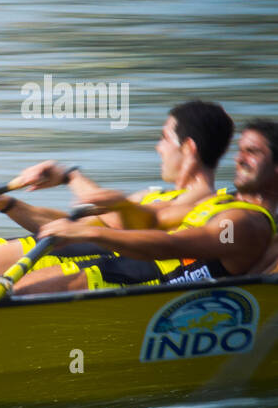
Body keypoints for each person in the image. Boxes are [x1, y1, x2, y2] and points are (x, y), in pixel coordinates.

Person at [0, 99, 234, 307]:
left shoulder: (204, 206)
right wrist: (7, 204)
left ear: (189, 148)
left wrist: (71, 175)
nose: (157, 147)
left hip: (114, 275)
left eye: (164, 138)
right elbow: (71, 227)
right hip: (78, 254)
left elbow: (137, 223)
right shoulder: (153, 197)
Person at [15, 119, 278, 294]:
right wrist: (108, 199)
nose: (238, 159)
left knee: (19, 294)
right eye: (240, 150)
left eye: (252, 152)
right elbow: (150, 221)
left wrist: (88, 233)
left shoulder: (245, 223)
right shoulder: (219, 200)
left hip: (143, 289)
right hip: (120, 268)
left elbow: (171, 245)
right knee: (11, 288)